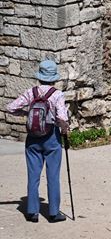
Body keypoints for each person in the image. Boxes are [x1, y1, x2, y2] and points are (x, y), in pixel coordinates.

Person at [6, 60, 70, 223]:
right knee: (53, 175)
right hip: (52, 137)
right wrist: (65, 130)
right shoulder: (57, 94)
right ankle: (54, 213)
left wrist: (27, 114)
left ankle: (32, 212)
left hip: (33, 137)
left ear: (40, 77)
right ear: (54, 78)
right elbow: (62, 117)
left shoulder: (31, 92)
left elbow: (11, 107)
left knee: (33, 175)